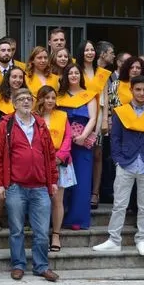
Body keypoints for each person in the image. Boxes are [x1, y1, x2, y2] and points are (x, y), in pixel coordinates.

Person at [0, 87, 60, 282]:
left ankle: (41, 266)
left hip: (40, 187)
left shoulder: (40, 124)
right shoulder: (6, 125)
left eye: (28, 99)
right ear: (14, 104)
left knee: (41, 232)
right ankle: (18, 265)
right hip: (15, 186)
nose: (25, 102)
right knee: (16, 230)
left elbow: (49, 155)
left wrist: (53, 181)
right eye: (21, 99)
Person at [92, 76, 144, 256]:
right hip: (126, 162)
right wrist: (118, 159)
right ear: (131, 90)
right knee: (119, 204)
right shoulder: (121, 112)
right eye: (137, 89)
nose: (141, 93)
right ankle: (114, 239)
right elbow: (115, 138)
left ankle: (142, 239)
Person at [57, 64, 98, 231]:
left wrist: (83, 137)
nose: (73, 75)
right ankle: (59, 215)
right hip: (62, 143)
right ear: (65, 76)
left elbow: (93, 118)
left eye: (76, 73)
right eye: (70, 73)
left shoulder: (89, 95)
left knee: (81, 179)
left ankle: (77, 219)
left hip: (82, 143)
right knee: (62, 180)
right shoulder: (59, 96)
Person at [0, 65, 26, 231]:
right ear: (7, 79)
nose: (17, 80)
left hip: (22, 147)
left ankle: (22, 217)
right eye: (13, 77)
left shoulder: (28, 99)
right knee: (0, 181)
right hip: (2, 146)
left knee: (23, 182)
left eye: (20, 77)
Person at [77, 40, 111, 210]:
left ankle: (95, 193)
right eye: (86, 50)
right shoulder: (76, 70)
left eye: (91, 50)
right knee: (81, 154)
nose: (89, 53)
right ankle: (80, 191)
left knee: (97, 154)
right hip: (80, 116)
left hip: (97, 117)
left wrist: (105, 118)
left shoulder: (102, 72)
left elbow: (105, 96)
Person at [36, 86, 71, 252]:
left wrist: (59, 157)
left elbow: (68, 139)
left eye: (52, 97)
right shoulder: (34, 117)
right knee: (39, 200)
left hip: (59, 162)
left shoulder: (63, 116)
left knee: (57, 200)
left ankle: (56, 234)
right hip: (38, 163)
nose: (50, 100)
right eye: (46, 97)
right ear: (40, 99)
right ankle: (40, 233)